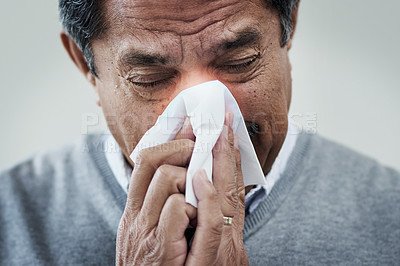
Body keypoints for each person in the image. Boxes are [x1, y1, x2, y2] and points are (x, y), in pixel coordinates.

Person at [0, 0, 399, 265]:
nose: (200, 121)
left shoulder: (389, 217)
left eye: (239, 62)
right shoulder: (12, 219)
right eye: (149, 78)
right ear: (85, 64)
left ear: (288, 27)